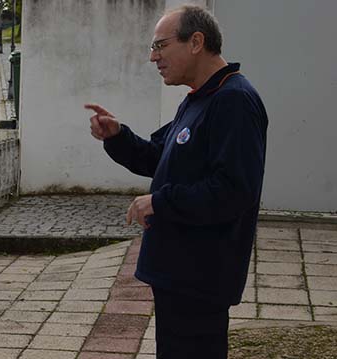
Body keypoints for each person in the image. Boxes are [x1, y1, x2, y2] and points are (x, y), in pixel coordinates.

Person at [85, 5, 267, 358]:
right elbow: (160, 156)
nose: (153, 57)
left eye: (160, 46)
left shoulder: (234, 101)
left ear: (196, 41)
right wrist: (118, 136)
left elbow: (234, 190)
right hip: (179, 271)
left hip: (201, 274)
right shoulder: (199, 99)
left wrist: (159, 202)